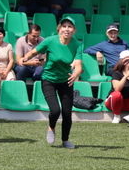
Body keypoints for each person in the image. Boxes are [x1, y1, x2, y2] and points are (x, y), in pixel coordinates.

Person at [20, 16, 83, 148]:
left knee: (67, 113)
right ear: (59, 28)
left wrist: (76, 73)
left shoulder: (77, 44)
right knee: (55, 110)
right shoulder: (50, 41)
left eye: (70, 26)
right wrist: (24, 58)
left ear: (74, 30)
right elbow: (34, 51)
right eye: (64, 26)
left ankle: (65, 140)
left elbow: (78, 65)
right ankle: (51, 127)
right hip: (49, 79)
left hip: (66, 81)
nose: (67, 29)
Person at [105, 50, 129, 124]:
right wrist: (126, 76)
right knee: (116, 94)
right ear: (125, 62)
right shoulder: (116, 73)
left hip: (128, 102)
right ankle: (116, 116)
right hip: (114, 103)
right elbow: (117, 89)